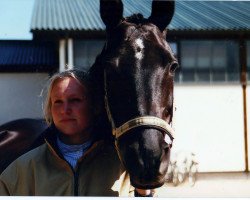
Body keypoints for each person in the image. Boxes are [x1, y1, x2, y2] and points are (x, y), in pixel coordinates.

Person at [0, 69, 153, 196]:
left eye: (75, 100)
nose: (65, 110)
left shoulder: (124, 165)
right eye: (57, 102)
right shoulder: (22, 169)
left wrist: (144, 193)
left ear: (95, 106)